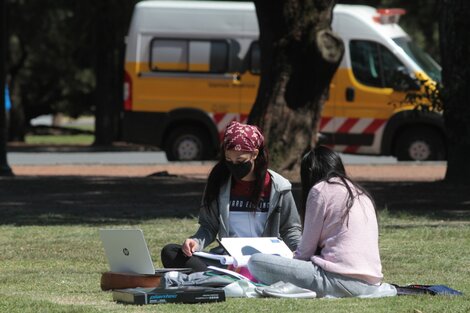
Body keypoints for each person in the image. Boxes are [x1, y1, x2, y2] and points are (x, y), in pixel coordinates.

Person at [247, 145, 396, 298]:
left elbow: (305, 252)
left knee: (255, 261)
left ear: (309, 172)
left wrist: (291, 263)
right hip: (371, 283)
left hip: (336, 280)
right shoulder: (360, 193)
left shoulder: (319, 190)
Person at [161, 121, 302, 272]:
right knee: (171, 252)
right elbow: (208, 227)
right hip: (228, 260)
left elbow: (290, 229)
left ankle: (222, 277)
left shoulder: (279, 187)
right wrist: (195, 242)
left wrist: (300, 253)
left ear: (254, 154)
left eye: (240, 161)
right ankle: (232, 275)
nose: (234, 165)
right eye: (229, 160)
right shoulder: (218, 184)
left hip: (268, 261)